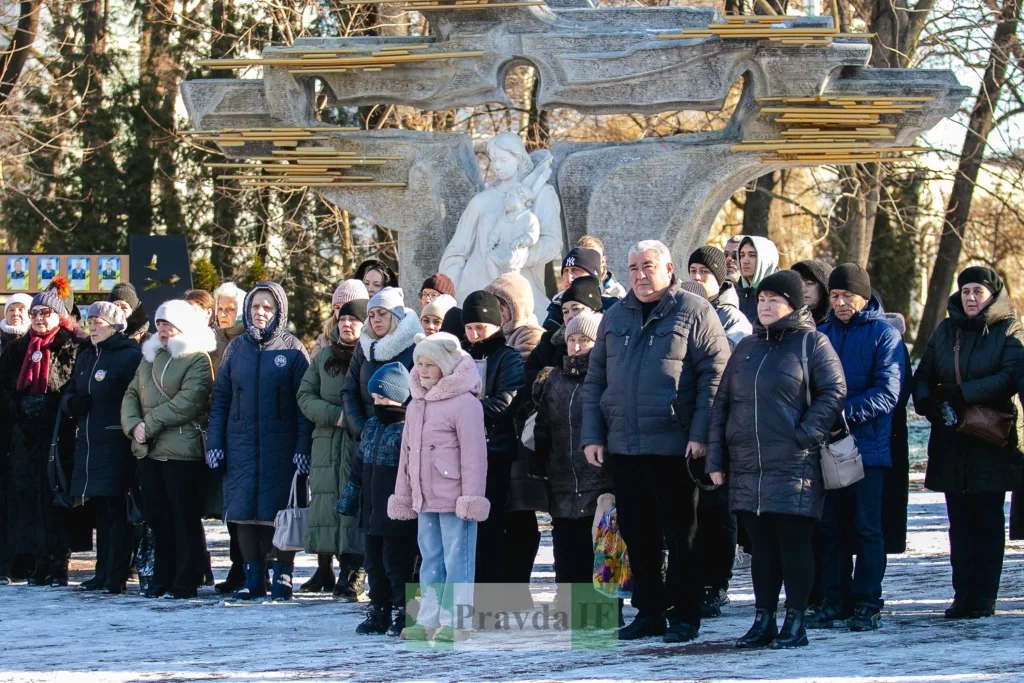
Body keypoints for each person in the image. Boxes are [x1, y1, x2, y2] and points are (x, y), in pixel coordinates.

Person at [582, 240, 730, 643]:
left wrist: (700, 434)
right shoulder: (615, 316)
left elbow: (715, 378)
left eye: (648, 266)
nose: (640, 275)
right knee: (637, 533)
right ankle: (649, 612)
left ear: (668, 268)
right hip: (626, 446)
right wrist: (593, 435)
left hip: (676, 446)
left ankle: (684, 613)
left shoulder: (694, 311)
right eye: (632, 268)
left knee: (683, 535)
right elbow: (596, 379)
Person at [706, 270, 846, 649]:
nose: (765, 306)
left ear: (793, 304)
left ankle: (795, 621)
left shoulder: (811, 343)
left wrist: (805, 434)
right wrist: (717, 459)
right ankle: (763, 618)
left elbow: (834, 391)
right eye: (762, 299)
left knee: (793, 543)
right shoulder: (746, 347)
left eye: (774, 300)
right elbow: (722, 406)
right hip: (748, 464)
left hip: (793, 463)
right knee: (762, 547)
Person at [914, 266, 1024, 619]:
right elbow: (925, 372)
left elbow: (1009, 376)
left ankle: (984, 597)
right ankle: (962, 595)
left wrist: (963, 393)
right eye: (966, 291)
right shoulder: (947, 329)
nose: (972, 297)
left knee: (988, 521)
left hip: (990, 436)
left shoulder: (1009, 328)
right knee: (958, 522)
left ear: (992, 294)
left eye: (978, 291)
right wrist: (928, 402)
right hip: (951, 437)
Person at [206, 283, 313, 601]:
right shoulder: (236, 349)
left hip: (281, 447)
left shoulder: (294, 350)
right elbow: (220, 399)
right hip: (240, 444)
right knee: (244, 513)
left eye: (267, 307)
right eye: (255, 307)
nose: (261, 312)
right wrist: (215, 442)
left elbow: (303, 406)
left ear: (279, 310)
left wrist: (302, 448)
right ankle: (254, 576)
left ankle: (283, 574)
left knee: (279, 512)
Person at [813, 263, 905, 632]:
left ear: (864, 297)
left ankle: (868, 601)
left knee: (868, 528)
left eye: (846, 296)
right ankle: (834, 599)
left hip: (868, 448)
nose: (839, 303)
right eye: (834, 296)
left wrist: (841, 414)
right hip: (830, 448)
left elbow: (889, 392)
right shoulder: (821, 334)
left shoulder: (885, 336)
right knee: (831, 528)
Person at [388, 333, 489, 642]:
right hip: (423, 496)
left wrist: (471, 499)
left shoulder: (465, 404)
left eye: (430, 364)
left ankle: (457, 620)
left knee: (457, 558)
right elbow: (407, 454)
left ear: (444, 366)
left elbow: (474, 455)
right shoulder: (415, 404)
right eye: (418, 364)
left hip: (455, 496)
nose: (422, 370)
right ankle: (429, 617)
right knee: (430, 556)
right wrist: (404, 494)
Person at [121, 299, 215, 599]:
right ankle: (162, 576)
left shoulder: (198, 359)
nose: (163, 331)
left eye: (169, 326)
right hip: (148, 450)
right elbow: (131, 393)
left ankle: (186, 579)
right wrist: (133, 425)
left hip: (181, 451)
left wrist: (148, 424)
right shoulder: (149, 358)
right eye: (160, 325)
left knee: (183, 516)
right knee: (157, 516)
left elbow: (190, 401)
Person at [0, 277, 89, 586]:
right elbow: (4, 389)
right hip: (25, 437)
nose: (39, 318)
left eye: (45, 313)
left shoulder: (71, 346)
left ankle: (59, 562)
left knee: (58, 499)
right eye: (35, 313)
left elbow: (74, 387)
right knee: (28, 499)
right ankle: (38, 561)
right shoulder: (16, 349)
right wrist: (19, 406)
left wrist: (52, 405)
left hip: (60, 435)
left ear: (58, 316)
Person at [534, 310, 614, 608]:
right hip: (563, 478)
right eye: (572, 339)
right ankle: (569, 605)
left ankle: (606, 608)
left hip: (600, 479)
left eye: (585, 340)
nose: (577, 346)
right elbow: (543, 427)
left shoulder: (607, 378)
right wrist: (542, 467)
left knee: (602, 545)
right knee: (567, 547)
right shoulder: (553, 379)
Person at [64, 303, 141, 594]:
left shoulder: (128, 356)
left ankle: (116, 575)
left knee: (117, 512)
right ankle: (101, 572)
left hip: (116, 443)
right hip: (89, 443)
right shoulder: (86, 356)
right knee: (101, 513)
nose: (93, 326)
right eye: (90, 320)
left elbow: (135, 397)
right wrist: (72, 404)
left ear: (115, 326)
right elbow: (70, 391)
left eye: (99, 321)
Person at [338, 363, 417, 636]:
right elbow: (358, 468)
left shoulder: (408, 428)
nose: (378, 404)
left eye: (384, 399)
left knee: (398, 563)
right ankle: (379, 609)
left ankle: (406, 611)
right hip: (370, 511)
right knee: (373, 564)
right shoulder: (371, 426)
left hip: (397, 512)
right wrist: (349, 499)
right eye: (375, 399)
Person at [297, 297, 368, 599]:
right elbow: (304, 395)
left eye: (354, 320)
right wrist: (334, 415)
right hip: (327, 445)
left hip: (359, 442)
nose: (347, 324)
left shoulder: (370, 356)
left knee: (356, 507)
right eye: (343, 319)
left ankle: (356, 572)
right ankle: (337, 568)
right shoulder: (323, 356)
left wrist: (353, 419)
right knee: (331, 507)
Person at [484, 272, 546, 599]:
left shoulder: (529, 336)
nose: (498, 314)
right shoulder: (500, 341)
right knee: (509, 516)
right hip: (503, 441)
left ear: (516, 307)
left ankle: (517, 588)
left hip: (522, 440)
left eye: (503, 306)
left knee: (521, 518)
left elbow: (517, 380)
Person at [461, 290, 526, 587]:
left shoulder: (508, 357)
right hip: (460, 451)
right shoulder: (459, 356)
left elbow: (505, 402)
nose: (475, 335)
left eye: (481, 328)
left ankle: (492, 594)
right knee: (465, 528)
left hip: (495, 450)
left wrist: (460, 411)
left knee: (492, 526)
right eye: (470, 328)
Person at [341, 287, 422, 441]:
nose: (376, 319)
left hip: (401, 440)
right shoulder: (363, 347)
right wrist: (361, 430)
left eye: (382, 313)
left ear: (396, 315)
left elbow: (419, 398)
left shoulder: (416, 347)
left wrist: (399, 432)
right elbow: (348, 391)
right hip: (364, 440)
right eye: (371, 315)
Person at [525, 275, 604, 392]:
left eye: (576, 309)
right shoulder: (549, 341)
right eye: (565, 311)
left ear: (593, 309)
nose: (570, 316)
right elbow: (528, 373)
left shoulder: (607, 341)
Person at [688, 246, 752, 350]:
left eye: (704, 271)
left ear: (718, 278)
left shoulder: (733, 319)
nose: (697, 277)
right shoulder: (678, 307)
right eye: (693, 271)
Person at [540, 248, 617, 331]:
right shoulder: (557, 307)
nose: (569, 278)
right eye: (566, 271)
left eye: (576, 270)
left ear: (592, 276)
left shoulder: (613, 309)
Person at [485, 272, 545, 360]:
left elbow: (520, 368)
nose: (499, 309)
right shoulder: (490, 331)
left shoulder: (531, 334)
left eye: (504, 303)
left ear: (518, 306)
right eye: (494, 303)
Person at [311, 280, 369, 361]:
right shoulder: (324, 340)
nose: (342, 312)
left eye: (347, 307)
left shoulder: (374, 340)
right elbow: (312, 371)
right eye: (337, 308)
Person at [735, 236, 780, 322]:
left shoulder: (780, 295)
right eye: (742, 255)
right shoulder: (733, 295)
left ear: (767, 259)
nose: (745, 261)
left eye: (752, 255)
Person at [576, 235, 627, 299]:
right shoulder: (570, 286)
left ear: (603, 261)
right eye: (583, 260)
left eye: (592, 259)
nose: (587, 265)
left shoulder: (617, 294)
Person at [790, 261, 834, 326]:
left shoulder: (838, 327)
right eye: (797, 283)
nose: (802, 289)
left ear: (825, 287)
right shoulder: (784, 322)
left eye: (810, 283)